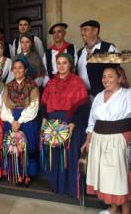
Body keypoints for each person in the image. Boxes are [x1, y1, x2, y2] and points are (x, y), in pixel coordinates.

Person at [81, 62, 131, 214]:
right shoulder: (98, 96)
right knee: (107, 178)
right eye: (104, 77)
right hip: (99, 141)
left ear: (119, 78)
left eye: (110, 76)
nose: (106, 80)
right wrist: (88, 140)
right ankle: (113, 209)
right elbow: (92, 121)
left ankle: (125, 212)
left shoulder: (128, 94)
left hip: (119, 141)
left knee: (122, 180)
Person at [41, 53, 88, 197]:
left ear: (70, 65)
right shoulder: (51, 82)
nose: (61, 66)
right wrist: (44, 119)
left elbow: (83, 106)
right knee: (53, 157)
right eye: (59, 63)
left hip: (70, 124)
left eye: (64, 63)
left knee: (68, 158)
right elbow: (43, 103)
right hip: (52, 125)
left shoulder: (77, 82)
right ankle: (56, 186)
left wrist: (74, 123)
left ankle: (70, 188)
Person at [1, 57, 40, 184]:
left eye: (20, 67)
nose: (17, 70)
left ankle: (27, 174)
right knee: (13, 146)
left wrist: (20, 120)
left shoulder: (32, 85)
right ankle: (15, 172)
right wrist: (12, 121)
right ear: (12, 70)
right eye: (15, 68)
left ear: (26, 69)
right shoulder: (8, 86)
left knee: (26, 147)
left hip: (27, 120)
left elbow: (34, 105)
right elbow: (5, 105)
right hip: (11, 120)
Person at [77, 20, 118, 97]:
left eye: (85, 30)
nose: (82, 33)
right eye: (81, 31)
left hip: (103, 95)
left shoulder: (108, 48)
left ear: (95, 31)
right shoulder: (80, 52)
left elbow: (116, 71)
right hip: (83, 95)